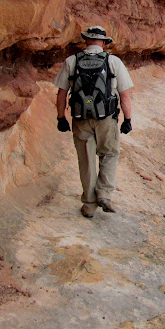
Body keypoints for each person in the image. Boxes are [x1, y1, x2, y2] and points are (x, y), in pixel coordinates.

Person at [53, 26, 133, 218]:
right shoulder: (113, 61)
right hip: (106, 118)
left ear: (86, 41)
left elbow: (61, 94)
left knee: (86, 160)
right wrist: (127, 120)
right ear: (104, 43)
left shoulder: (71, 61)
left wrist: (61, 117)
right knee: (110, 154)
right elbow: (125, 96)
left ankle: (89, 206)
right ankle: (104, 194)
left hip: (80, 118)